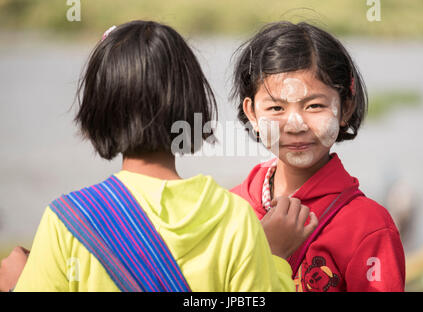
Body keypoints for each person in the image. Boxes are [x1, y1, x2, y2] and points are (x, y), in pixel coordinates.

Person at [3, 20, 317, 292]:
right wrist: (273, 257)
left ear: (98, 110)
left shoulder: (68, 222)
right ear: (193, 103)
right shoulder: (233, 219)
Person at [229, 21, 405, 292]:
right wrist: (271, 253)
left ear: (345, 108)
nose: (296, 124)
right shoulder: (230, 209)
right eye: (276, 107)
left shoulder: (368, 227)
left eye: (314, 106)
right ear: (252, 113)